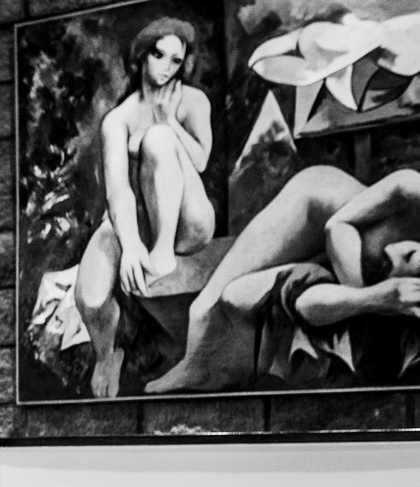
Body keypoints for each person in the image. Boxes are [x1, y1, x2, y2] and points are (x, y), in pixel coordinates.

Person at [145, 165, 420, 393]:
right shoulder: (409, 187)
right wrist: (364, 298)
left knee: (252, 299)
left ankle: (215, 369)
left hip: (349, 258)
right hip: (310, 209)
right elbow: (336, 228)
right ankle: (194, 364)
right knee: (206, 306)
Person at [74, 17, 216, 397]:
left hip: (188, 219)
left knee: (157, 138)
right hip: (138, 218)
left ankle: (163, 251)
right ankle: (108, 354)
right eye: (158, 55)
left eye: (175, 59)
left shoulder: (192, 101)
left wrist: (170, 123)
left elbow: (202, 160)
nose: (166, 68)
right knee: (88, 295)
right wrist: (132, 245)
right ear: (141, 56)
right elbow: (118, 189)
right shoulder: (117, 120)